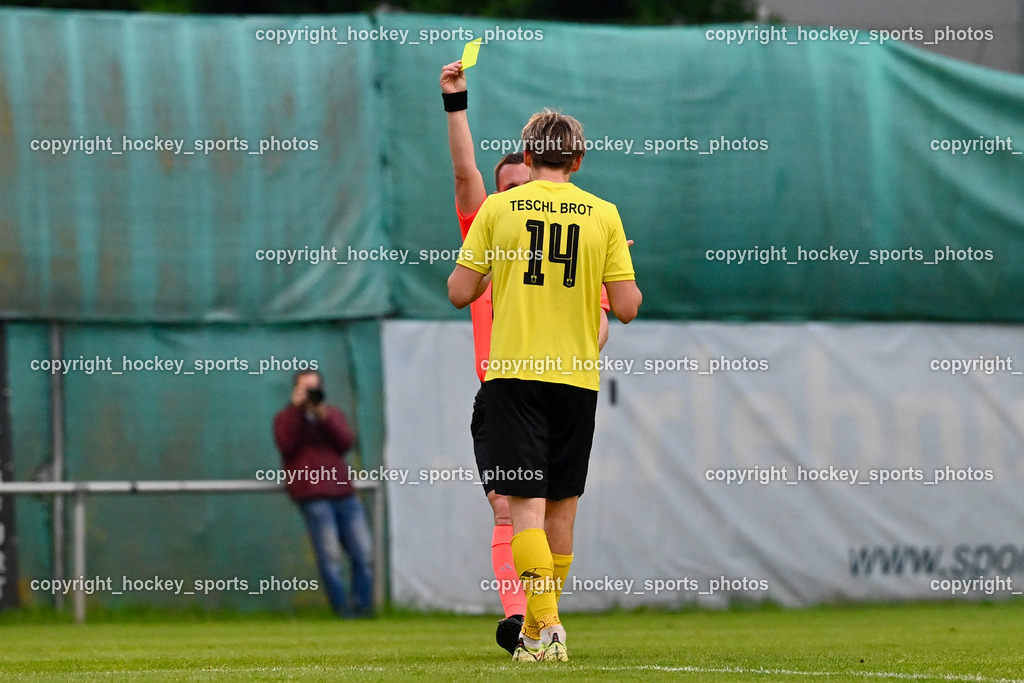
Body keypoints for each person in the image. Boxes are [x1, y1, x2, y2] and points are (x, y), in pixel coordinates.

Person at [448, 109, 641, 662]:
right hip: (575, 379)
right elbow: (625, 308)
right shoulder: (602, 214)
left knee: (523, 510)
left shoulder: (498, 209)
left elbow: (461, 291)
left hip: (513, 377)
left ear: (527, 157)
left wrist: (486, 270)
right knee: (562, 509)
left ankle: (546, 625)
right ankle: (537, 633)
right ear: (578, 160)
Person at [272, 370, 373, 618]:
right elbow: (286, 445)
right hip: (313, 495)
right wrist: (297, 413)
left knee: (364, 553)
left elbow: (346, 442)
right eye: (305, 389)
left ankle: (363, 609)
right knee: (331, 557)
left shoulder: (331, 414)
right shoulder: (285, 418)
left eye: (314, 388)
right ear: (295, 390)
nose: (310, 394)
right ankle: (343, 612)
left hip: (343, 492)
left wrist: (323, 416)